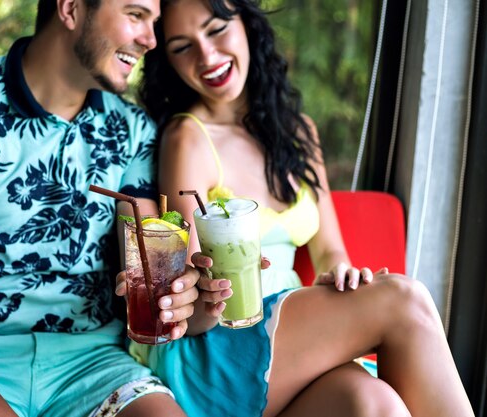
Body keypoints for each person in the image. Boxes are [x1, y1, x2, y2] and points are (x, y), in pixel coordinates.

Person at [128, 0, 476, 416]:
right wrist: (210, 286)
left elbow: (330, 250)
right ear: (169, 63)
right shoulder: (188, 136)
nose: (207, 55)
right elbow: (190, 289)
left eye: (217, 29)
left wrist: (343, 272)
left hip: (290, 338)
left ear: (247, 25)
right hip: (219, 345)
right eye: (183, 46)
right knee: (406, 301)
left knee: (375, 404)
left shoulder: (299, 133)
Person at [0, 1, 201, 416]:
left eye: (153, 22)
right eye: (135, 15)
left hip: (92, 363)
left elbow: (144, 258)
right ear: (70, 9)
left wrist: (184, 294)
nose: (150, 40)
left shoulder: (134, 130)